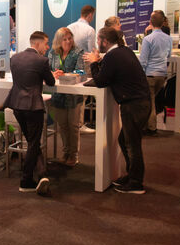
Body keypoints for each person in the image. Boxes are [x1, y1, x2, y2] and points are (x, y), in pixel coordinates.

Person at [85, 28, 150, 194]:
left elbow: (100, 81)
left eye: (98, 40)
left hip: (134, 105)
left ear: (105, 41)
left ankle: (136, 183)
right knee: (125, 141)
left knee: (132, 145)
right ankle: (131, 176)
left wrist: (94, 62)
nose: (97, 43)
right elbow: (110, 74)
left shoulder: (113, 56)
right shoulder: (123, 51)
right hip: (140, 102)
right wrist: (100, 61)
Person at [4, 31, 55, 195]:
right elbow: (51, 82)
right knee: (33, 143)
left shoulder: (15, 58)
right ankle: (26, 180)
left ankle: (42, 174)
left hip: (16, 105)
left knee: (32, 141)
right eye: (46, 44)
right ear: (37, 44)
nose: (47, 47)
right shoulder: (42, 61)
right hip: (33, 106)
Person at [48, 28, 84, 167]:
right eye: (65, 39)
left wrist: (66, 75)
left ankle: (74, 154)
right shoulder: (53, 53)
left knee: (73, 126)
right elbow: (47, 69)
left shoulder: (78, 52)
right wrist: (53, 74)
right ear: (59, 41)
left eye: (70, 38)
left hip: (73, 95)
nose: (68, 41)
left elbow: (81, 71)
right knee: (62, 126)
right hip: (58, 95)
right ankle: (65, 152)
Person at [139, 11, 173, 134]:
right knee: (151, 100)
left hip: (150, 74)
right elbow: (169, 56)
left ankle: (151, 128)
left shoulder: (148, 39)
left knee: (150, 102)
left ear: (150, 22)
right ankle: (148, 126)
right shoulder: (168, 38)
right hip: (162, 74)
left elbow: (143, 60)